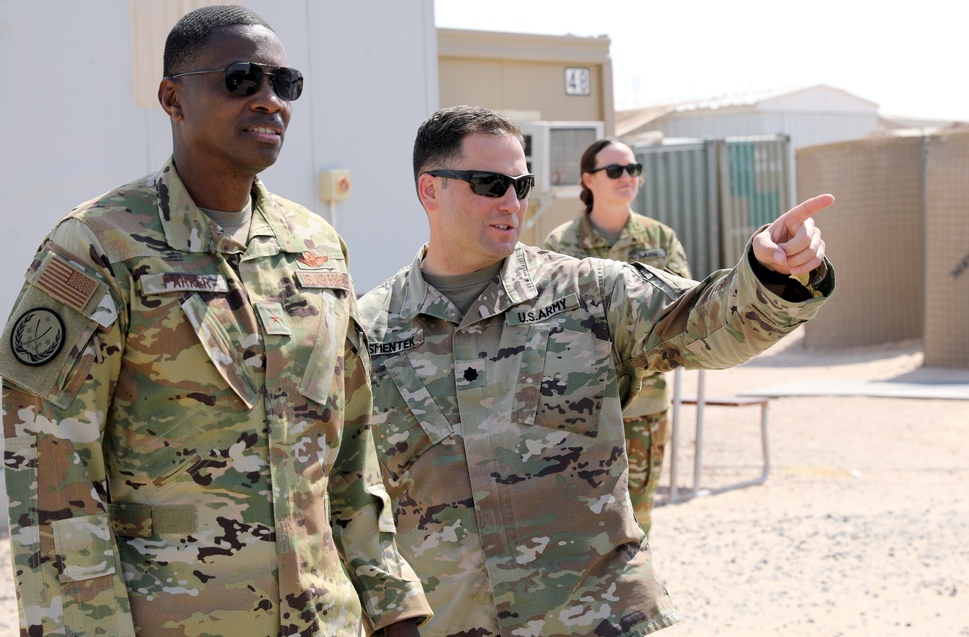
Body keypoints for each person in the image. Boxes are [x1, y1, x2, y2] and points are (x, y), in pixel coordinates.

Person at [0, 6, 430, 636]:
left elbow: (350, 448)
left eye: (286, 84)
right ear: (173, 98)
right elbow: (52, 479)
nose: (268, 99)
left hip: (322, 620)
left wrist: (392, 607)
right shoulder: (99, 247)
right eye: (240, 79)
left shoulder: (315, 246)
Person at [357, 105, 835, 637]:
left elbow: (706, 322)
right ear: (430, 191)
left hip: (593, 618)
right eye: (490, 184)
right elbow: (348, 496)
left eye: (522, 184)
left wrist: (769, 275)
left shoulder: (588, 293)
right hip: (449, 620)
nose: (512, 203)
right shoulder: (369, 330)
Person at [543, 138, 691, 538]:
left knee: (638, 523)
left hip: (644, 407)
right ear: (588, 179)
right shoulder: (561, 245)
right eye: (615, 170)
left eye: (633, 169)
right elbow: (548, 325)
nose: (627, 177)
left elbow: (681, 316)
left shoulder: (660, 240)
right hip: (582, 410)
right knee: (580, 522)